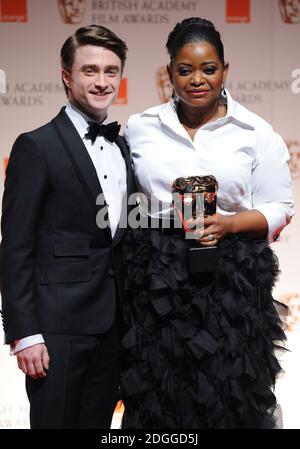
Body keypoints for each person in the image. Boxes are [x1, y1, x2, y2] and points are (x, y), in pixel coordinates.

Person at [120, 17, 294, 429]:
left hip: (231, 280)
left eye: (208, 68)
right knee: (159, 396)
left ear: (225, 70)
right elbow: (126, 202)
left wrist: (229, 225)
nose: (197, 79)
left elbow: (280, 206)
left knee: (230, 396)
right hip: (157, 281)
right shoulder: (140, 128)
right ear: (169, 75)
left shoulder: (256, 132)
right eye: (185, 70)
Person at [0, 24, 134, 429]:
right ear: (66, 75)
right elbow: (15, 246)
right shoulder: (35, 146)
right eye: (90, 70)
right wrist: (25, 333)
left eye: (111, 71)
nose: (102, 81)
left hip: (114, 327)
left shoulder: (123, 145)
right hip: (56, 329)